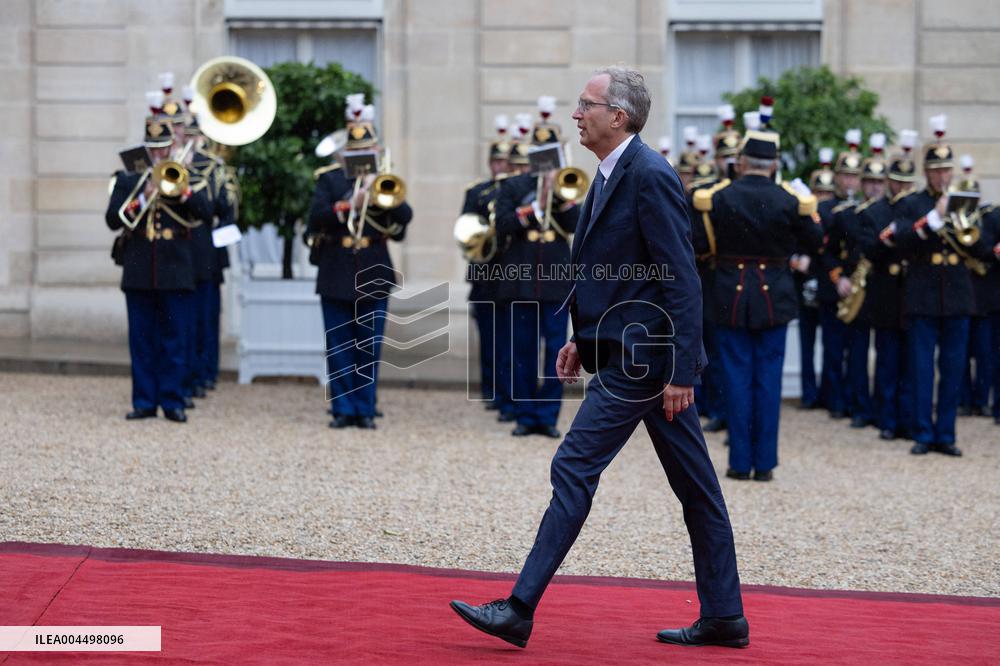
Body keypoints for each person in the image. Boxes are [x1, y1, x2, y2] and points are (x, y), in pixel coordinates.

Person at [450, 66, 748, 650]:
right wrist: (580, 340)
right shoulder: (612, 172)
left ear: (620, 116)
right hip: (626, 354)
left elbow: (680, 279)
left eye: (586, 105)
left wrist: (683, 370)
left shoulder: (650, 174)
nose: (576, 115)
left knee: (573, 467)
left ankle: (518, 608)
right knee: (699, 491)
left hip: (643, 363)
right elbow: (607, 273)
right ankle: (725, 615)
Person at [693, 129, 823, 481]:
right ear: (775, 164)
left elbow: (701, 245)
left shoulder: (717, 196)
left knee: (735, 378)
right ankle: (764, 463)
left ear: (742, 161)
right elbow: (815, 242)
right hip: (774, 295)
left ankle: (739, 461)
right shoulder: (791, 199)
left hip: (730, 293)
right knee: (768, 381)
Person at [305, 96, 413, 429]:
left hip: (374, 269)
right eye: (356, 151)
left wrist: (378, 192)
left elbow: (404, 219)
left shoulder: (385, 181)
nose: (361, 157)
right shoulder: (330, 180)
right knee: (338, 346)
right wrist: (349, 203)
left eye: (368, 150)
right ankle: (343, 409)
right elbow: (315, 219)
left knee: (369, 345)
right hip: (337, 267)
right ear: (347, 153)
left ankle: (365, 409)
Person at [105, 112, 212, 423]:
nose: (158, 154)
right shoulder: (128, 179)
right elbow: (112, 220)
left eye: (163, 147)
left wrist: (184, 191)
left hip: (176, 269)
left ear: (171, 147)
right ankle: (144, 401)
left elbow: (206, 213)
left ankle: (173, 400)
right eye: (153, 148)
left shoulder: (186, 176)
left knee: (174, 339)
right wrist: (142, 197)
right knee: (142, 339)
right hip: (139, 267)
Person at [492, 100, 580, 438]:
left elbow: (578, 224)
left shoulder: (567, 189)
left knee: (556, 351)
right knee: (523, 350)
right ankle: (526, 415)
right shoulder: (513, 187)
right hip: (521, 281)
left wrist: (560, 196)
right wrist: (533, 207)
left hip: (556, 282)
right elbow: (501, 225)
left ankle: (549, 416)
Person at [856, 131, 918, 440]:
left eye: (908, 183)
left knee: (911, 362)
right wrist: (891, 236)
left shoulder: (916, 208)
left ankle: (907, 420)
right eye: (898, 182)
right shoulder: (874, 212)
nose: (903, 188)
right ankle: (887, 419)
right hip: (885, 292)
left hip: (913, 293)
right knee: (887, 360)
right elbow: (869, 249)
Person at [462, 115, 512, 409]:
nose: (499, 167)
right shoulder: (477, 192)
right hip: (486, 275)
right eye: (495, 161)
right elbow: (467, 231)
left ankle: (508, 392)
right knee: (490, 339)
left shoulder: (514, 189)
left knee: (511, 340)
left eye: (504, 162)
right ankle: (491, 389)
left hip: (512, 272)